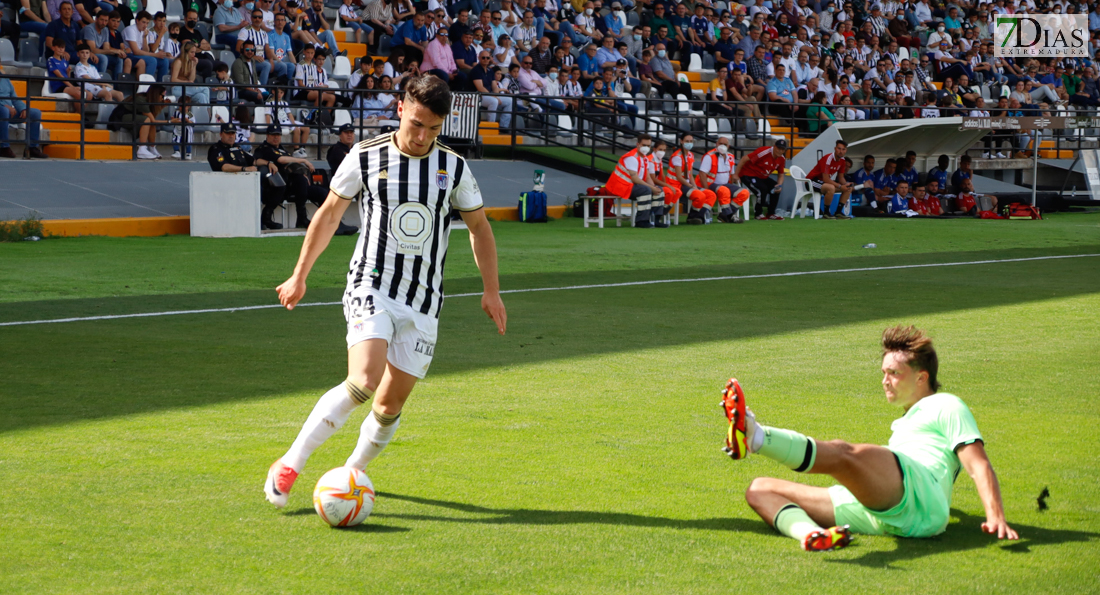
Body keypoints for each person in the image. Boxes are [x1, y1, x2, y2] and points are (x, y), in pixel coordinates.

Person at [263, 75, 507, 509]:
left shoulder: (453, 168)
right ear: (401, 108)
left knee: (390, 403)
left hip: (425, 299)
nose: (422, 136)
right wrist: (299, 275)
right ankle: (291, 463)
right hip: (371, 283)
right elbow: (329, 214)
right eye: (416, 124)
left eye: (433, 128)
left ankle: (352, 474)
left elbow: (479, 229)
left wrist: (492, 291)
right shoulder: (366, 156)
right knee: (363, 380)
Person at [721, 325, 1019, 552]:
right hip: (887, 514)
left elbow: (977, 464)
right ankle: (811, 535)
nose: (884, 380)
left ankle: (757, 437)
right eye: (883, 372)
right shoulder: (907, 422)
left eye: (894, 373)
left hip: (917, 494)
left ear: (921, 377)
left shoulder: (946, 404)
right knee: (759, 489)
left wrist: (996, 516)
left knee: (844, 455)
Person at [207, 122, 284, 229]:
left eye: (233, 133)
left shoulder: (238, 148)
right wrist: (244, 169)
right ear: (221, 134)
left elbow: (254, 161)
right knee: (258, 187)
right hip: (229, 184)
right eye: (228, 133)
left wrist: (268, 163)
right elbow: (224, 167)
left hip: (247, 182)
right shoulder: (216, 149)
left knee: (277, 184)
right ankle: (258, 221)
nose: (231, 136)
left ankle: (266, 218)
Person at [254, 124, 316, 228]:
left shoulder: (282, 149)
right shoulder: (264, 148)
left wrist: (302, 174)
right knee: (281, 184)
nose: (276, 137)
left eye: (278, 135)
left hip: (287, 184)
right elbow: (281, 160)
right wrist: (303, 160)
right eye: (273, 135)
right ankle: (266, 218)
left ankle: (302, 218)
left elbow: (290, 164)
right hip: (272, 187)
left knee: (301, 180)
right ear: (267, 136)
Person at [604, 134, 661, 228]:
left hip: (630, 185)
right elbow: (635, 179)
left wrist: (654, 187)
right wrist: (651, 188)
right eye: (644, 145)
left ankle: (656, 220)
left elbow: (648, 178)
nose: (646, 148)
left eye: (648, 146)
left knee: (660, 190)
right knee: (646, 190)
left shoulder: (645, 158)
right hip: (620, 186)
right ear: (637, 144)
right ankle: (641, 221)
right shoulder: (631, 157)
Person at [731, 139, 786, 222]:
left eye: (782, 149)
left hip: (762, 177)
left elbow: (781, 175)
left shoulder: (782, 159)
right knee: (762, 189)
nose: (780, 151)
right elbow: (744, 159)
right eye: (778, 148)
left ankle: (771, 213)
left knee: (775, 187)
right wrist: (736, 174)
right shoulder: (764, 152)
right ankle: (758, 213)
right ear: (774, 147)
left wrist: (779, 185)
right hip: (748, 174)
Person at [0, 64, 47, 159]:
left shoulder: (5, 79)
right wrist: (4, 105)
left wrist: (23, 108)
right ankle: (4, 147)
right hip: (3, 110)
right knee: (4, 111)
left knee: (35, 113)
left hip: (10, 111)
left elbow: (14, 98)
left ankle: (32, 148)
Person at [805, 139, 853, 220]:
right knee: (831, 187)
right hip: (811, 181)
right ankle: (826, 213)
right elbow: (826, 179)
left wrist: (845, 185)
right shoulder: (828, 158)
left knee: (848, 188)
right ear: (835, 148)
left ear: (846, 150)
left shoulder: (842, 160)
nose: (841, 151)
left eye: (843, 149)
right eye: (839, 148)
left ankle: (838, 212)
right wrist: (840, 186)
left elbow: (840, 177)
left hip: (823, 183)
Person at [119, 84, 168, 160]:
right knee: (148, 120)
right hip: (121, 117)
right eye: (162, 96)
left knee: (151, 122)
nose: (162, 99)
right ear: (156, 94)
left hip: (133, 117)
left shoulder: (149, 100)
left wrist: (161, 106)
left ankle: (152, 147)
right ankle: (142, 149)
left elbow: (153, 118)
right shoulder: (141, 100)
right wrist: (170, 121)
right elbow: (153, 120)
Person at [169, 94, 195, 160]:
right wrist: (173, 119)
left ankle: (188, 153)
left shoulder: (190, 114)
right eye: (180, 106)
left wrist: (188, 121)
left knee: (188, 141)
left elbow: (193, 123)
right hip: (177, 130)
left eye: (184, 106)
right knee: (175, 140)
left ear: (188, 106)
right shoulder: (176, 112)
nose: (182, 108)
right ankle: (177, 151)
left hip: (187, 131)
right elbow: (173, 119)